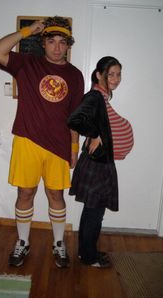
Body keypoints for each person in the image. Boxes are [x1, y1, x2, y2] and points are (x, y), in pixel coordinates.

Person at [0, 16, 84, 268]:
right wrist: (27, 31)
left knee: (56, 194)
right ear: (43, 43)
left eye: (62, 42)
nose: (56, 47)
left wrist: (74, 148)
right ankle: (23, 241)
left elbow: (76, 116)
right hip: (27, 141)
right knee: (26, 192)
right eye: (51, 41)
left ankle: (58, 243)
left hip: (58, 145)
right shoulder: (27, 64)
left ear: (68, 46)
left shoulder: (75, 76)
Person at [67, 56, 134, 268]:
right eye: (110, 74)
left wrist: (98, 133)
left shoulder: (103, 98)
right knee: (95, 213)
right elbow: (74, 120)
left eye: (118, 74)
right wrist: (95, 134)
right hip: (98, 166)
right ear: (99, 75)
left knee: (92, 211)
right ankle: (90, 257)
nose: (115, 78)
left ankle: (86, 252)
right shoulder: (96, 96)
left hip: (99, 163)